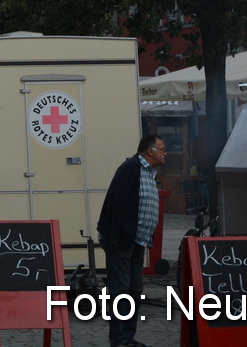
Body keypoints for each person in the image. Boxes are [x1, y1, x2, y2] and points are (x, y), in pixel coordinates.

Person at [97, 135, 166, 347]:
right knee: (121, 288)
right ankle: (119, 339)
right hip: (121, 239)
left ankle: (128, 337)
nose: (165, 153)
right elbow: (117, 204)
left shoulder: (148, 172)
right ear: (150, 150)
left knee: (135, 287)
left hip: (138, 240)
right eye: (162, 149)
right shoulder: (131, 168)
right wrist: (118, 237)